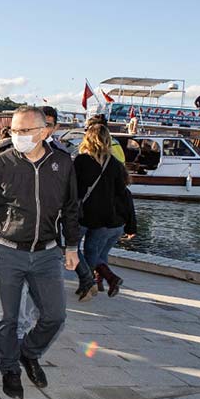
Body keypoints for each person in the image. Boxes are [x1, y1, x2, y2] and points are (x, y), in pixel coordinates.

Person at [0, 106, 80, 399]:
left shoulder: (62, 163)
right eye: (14, 131)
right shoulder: (1, 162)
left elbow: (71, 208)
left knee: (55, 316)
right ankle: (10, 369)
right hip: (7, 252)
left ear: (45, 131)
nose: (18, 136)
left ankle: (28, 353)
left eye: (25, 131)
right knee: (7, 319)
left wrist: (72, 246)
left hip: (47, 254)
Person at [73, 123, 137, 300]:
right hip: (106, 216)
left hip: (83, 214)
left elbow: (73, 189)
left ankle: (89, 282)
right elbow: (123, 194)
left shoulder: (81, 161)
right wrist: (130, 224)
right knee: (94, 252)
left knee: (70, 246)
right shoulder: (115, 164)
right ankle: (93, 282)